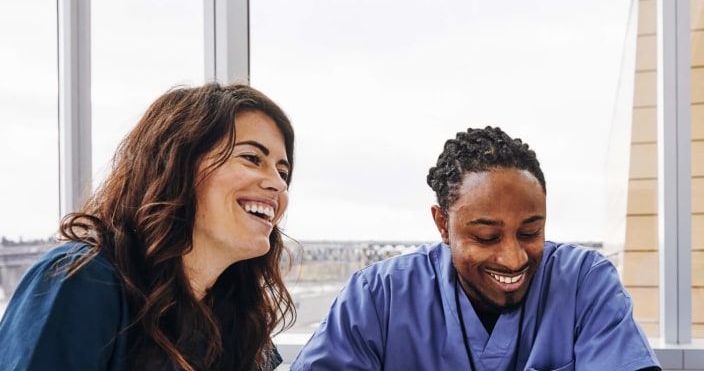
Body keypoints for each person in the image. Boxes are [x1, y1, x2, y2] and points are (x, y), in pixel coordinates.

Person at [291, 126, 660, 371]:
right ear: (442, 225)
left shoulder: (584, 282)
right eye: (486, 237)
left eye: (531, 232)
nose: (514, 258)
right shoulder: (378, 296)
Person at [0, 83, 297, 370]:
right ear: (176, 165)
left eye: (282, 172)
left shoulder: (236, 317)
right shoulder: (80, 281)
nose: (277, 184)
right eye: (251, 158)